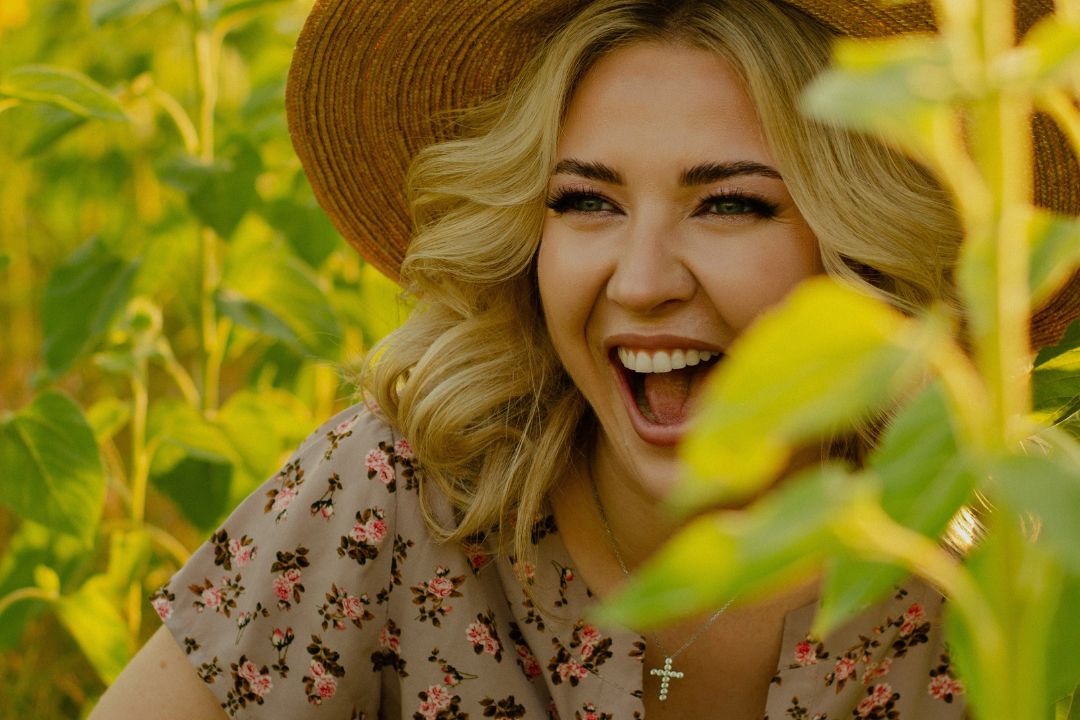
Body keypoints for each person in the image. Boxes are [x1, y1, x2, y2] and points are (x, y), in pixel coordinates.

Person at [91, 0, 1078, 718]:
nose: (639, 280)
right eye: (585, 202)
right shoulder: (404, 498)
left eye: (730, 202)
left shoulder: (1005, 579)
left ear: (861, 244)